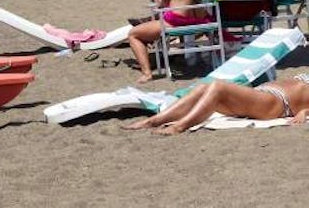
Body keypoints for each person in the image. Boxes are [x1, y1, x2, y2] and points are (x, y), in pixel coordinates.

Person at [123, 75, 309, 134]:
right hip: (263, 95)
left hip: (274, 102)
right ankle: (154, 121)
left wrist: (304, 112)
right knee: (204, 88)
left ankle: (180, 126)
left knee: (218, 87)